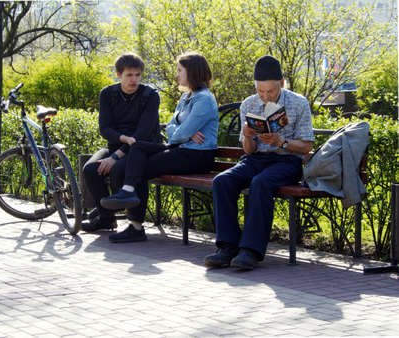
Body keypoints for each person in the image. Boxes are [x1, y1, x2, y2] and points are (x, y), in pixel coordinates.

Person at [204, 55, 314, 270]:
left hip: (286, 161)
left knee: (261, 183)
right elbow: (248, 150)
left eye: (270, 91)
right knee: (222, 181)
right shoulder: (249, 104)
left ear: (281, 84)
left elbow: (306, 146)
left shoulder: (298, 103)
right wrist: (247, 136)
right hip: (256, 159)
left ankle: (251, 251)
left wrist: (281, 142)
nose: (264, 97)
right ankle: (227, 247)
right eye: (260, 91)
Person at [100, 52, 219, 243]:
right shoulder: (186, 97)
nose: (177, 75)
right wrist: (185, 131)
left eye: (180, 70)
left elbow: (179, 132)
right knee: (138, 147)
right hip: (181, 149)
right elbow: (171, 128)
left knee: (139, 166)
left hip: (198, 156)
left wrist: (184, 131)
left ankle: (136, 226)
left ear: (193, 72)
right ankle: (129, 193)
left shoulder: (204, 99)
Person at [82, 52, 160, 232]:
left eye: (138, 75)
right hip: (117, 145)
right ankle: (106, 218)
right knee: (91, 169)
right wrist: (121, 140)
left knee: (117, 169)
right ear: (119, 74)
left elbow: (142, 134)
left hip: (141, 149)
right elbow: (105, 128)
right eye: (129, 75)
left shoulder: (150, 96)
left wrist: (115, 157)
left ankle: (127, 218)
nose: (134, 80)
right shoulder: (107, 94)